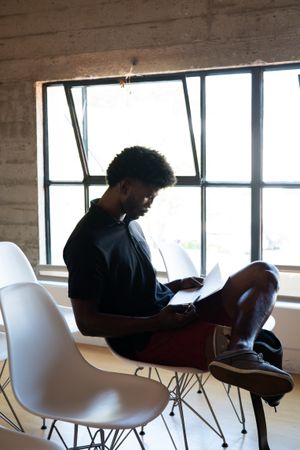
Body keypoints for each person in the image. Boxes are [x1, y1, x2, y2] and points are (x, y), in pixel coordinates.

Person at [63, 145, 294, 406]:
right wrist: (157, 322)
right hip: (145, 337)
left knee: (264, 273)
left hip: (170, 310)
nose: (151, 204)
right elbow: (87, 323)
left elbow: (134, 285)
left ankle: (240, 350)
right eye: (148, 196)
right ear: (125, 187)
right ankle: (241, 353)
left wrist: (175, 287)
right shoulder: (86, 243)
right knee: (245, 342)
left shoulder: (130, 224)